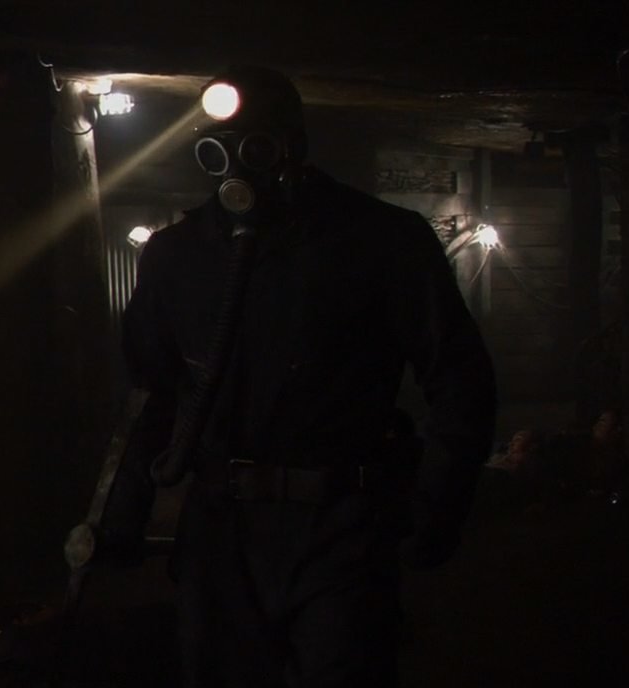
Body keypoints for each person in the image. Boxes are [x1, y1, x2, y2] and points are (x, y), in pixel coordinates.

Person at [98, 65, 496, 687]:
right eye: (218, 150)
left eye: (256, 147)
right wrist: (121, 514)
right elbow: (152, 394)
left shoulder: (380, 241)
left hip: (341, 529)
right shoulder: (179, 256)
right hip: (222, 533)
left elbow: (459, 377)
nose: (237, 167)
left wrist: (436, 507)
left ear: (294, 148)